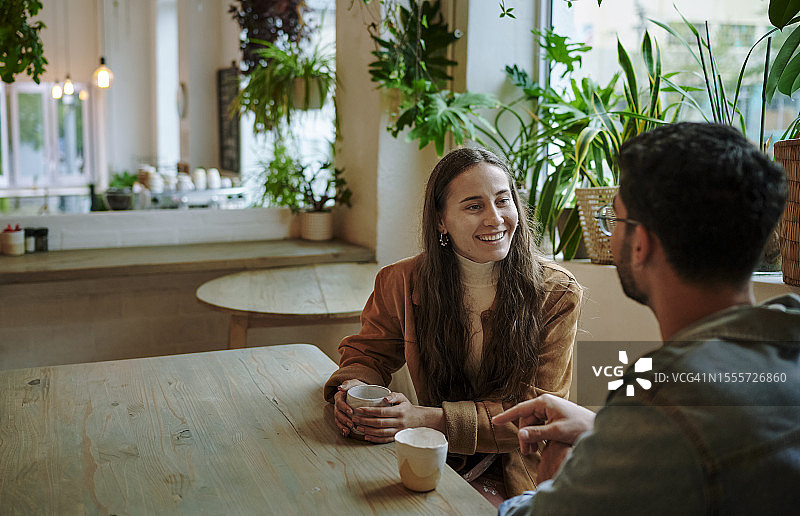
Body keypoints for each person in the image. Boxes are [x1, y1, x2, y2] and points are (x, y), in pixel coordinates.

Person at [494, 122, 800, 515]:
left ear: (641, 244)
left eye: (615, 219)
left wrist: (554, 481)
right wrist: (604, 431)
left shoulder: (664, 395)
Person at [323, 147, 582, 499]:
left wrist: (425, 418)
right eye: (474, 206)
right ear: (441, 221)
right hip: (428, 453)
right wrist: (352, 389)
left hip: (518, 471)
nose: (495, 218)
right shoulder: (400, 280)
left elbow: (535, 417)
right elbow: (367, 354)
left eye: (503, 201)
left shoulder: (556, 292)